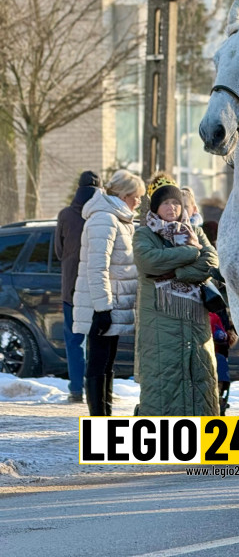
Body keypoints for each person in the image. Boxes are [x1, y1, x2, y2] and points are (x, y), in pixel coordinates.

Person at [133, 173, 220, 416]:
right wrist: (191, 253)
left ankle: (200, 445)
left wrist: (178, 272)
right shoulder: (144, 234)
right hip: (161, 325)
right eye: (165, 203)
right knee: (163, 384)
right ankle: (161, 447)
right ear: (155, 207)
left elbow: (211, 261)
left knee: (199, 380)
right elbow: (149, 262)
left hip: (195, 323)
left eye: (175, 203)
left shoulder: (196, 232)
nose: (172, 208)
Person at [71, 170, 144, 416]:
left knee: (107, 363)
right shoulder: (105, 218)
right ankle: (98, 420)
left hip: (113, 304)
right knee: (99, 362)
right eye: (137, 196)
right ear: (123, 195)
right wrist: (103, 309)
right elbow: (97, 267)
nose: (139, 201)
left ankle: (105, 417)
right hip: (101, 306)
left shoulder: (120, 218)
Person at [54, 171, 102, 403]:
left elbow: (58, 251)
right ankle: (99, 389)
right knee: (99, 340)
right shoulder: (103, 215)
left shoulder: (65, 215)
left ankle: (76, 389)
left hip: (71, 288)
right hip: (99, 287)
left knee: (75, 341)